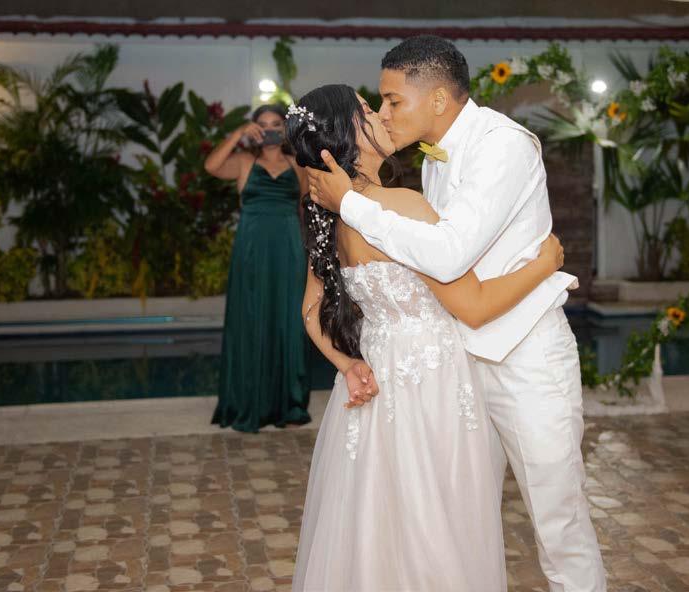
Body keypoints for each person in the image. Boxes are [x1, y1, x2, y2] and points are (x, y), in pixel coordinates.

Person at [306, 36, 606, 592]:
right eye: (379, 103)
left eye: (393, 101)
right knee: (462, 520)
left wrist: (348, 202)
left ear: (439, 99)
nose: (384, 113)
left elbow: (446, 255)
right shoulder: (431, 163)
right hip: (455, 366)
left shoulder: (502, 146)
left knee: (558, 519)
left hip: (523, 356)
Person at [204, 104, 311, 432]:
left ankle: (289, 405)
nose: (269, 130)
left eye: (276, 124)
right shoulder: (243, 162)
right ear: (254, 129)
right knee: (250, 318)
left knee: (288, 322)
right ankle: (247, 402)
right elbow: (211, 166)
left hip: (288, 251)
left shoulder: (297, 165)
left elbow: (305, 207)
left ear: (285, 128)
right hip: (251, 252)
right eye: (262, 125)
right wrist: (237, 134)